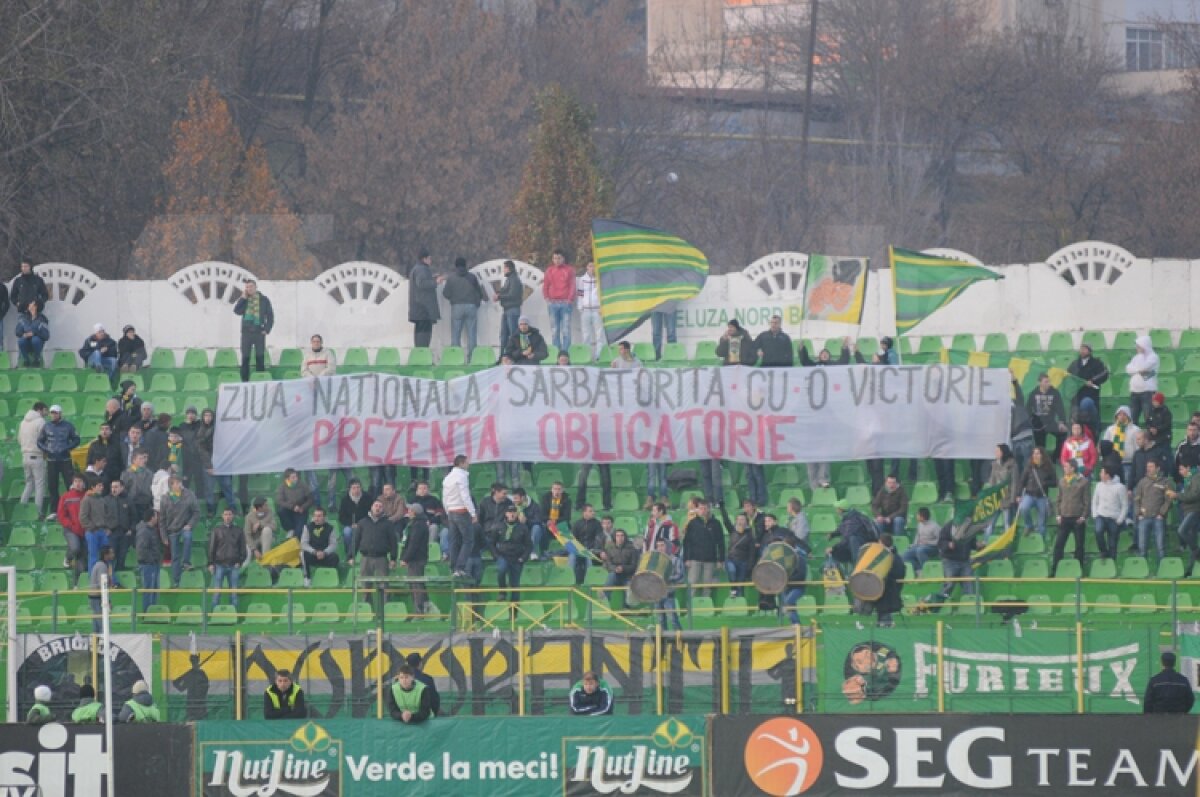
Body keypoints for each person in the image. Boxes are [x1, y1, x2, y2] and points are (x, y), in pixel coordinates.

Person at [1052, 458, 1091, 574]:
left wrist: (1084, 516)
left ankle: (1079, 570)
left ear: (1073, 468)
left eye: (1066, 467)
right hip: (1064, 517)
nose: (1064, 469)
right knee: (1059, 545)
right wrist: (1058, 514)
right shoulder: (1062, 481)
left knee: (1079, 546)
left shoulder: (1083, 482)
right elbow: (1058, 499)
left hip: (1077, 518)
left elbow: (1087, 501)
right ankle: (1055, 569)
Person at [38, 404, 80, 511]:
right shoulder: (46, 426)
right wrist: (47, 449)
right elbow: (39, 441)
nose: (53, 415)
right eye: (52, 413)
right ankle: (54, 510)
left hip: (65, 459)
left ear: (60, 414)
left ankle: (73, 509)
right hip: (52, 460)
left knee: (70, 484)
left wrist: (67, 447)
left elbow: (76, 439)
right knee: (52, 486)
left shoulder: (68, 426)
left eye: (55, 413)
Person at [160, 474, 199, 587]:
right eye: (176, 483)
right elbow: (162, 519)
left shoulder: (189, 495)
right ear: (171, 485)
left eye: (180, 482)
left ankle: (186, 562)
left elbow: (196, 512)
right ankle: (176, 581)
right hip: (172, 529)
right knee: (175, 556)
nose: (179, 485)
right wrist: (164, 536)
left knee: (187, 536)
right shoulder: (165, 498)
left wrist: (190, 524)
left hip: (185, 526)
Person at [233, 278, 274, 381]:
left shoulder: (264, 300)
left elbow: (270, 316)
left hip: (259, 332)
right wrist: (242, 299)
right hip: (246, 332)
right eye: (247, 287)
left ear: (256, 287)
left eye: (251, 286)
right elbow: (237, 311)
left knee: (260, 357)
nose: (249, 289)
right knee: (245, 358)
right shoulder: (244, 300)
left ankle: (260, 381)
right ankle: (245, 382)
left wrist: (267, 329)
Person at [442, 454, 477, 579]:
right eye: (467, 462)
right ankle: (460, 567)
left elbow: (444, 497)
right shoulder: (462, 476)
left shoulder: (447, 478)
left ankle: (453, 567)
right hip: (461, 511)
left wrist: (448, 510)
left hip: (451, 511)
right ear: (461, 463)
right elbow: (465, 496)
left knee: (454, 541)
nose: (468, 464)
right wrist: (473, 512)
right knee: (468, 540)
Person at [443, 256, 484, 360]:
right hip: (471, 306)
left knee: (456, 334)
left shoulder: (451, 278)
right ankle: (472, 358)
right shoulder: (472, 277)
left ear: (456, 266)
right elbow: (479, 293)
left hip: (457, 307)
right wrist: (476, 303)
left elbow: (445, 294)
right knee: (472, 334)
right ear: (465, 265)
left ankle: (456, 358)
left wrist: (453, 298)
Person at [682, 499, 724, 598]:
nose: (703, 511)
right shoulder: (692, 523)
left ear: (709, 509)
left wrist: (721, 560)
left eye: (705, 508)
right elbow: (687, 542)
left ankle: (706, 604)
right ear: (697, 509)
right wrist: (686, 558)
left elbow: (721, 543)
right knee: (692, 584)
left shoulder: (716, 523)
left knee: (707, 585)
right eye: (701, 508)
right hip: (694, 559)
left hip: (710, 559)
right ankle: (690, 606)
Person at [491, 505, 531, 602]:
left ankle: (514, 607)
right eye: (509, 512)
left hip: (517, 558)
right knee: (501, 570)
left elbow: (529, 545)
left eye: (514, 512)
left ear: (517, 514)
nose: (512, 514)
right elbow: (492, 543)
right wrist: (496, 556)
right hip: (503, 556)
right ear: (506, 514)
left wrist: (523, 558)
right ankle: (502, 592)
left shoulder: (523, 528)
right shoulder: (498, 526)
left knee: (515, 584)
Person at [1134, 459, 1173, 560]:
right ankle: (1142, 569)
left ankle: (1162, 568)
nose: (1148, 469)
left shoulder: (1165, 482)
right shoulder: (1142, 482)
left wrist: (1162, 513)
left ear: (1158, 468)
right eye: (1147, 466)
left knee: (1160, 547)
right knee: (1142, 547)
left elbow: (1169, 500)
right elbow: (1137, 499)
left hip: (1158, 518)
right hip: (1144, 518)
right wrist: (1138, 514)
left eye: (1151, 466)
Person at [208, 508, 246, 608]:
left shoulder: (239, 531)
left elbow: (243, 549)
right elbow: (212, 548)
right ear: (222, 516)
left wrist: (240, 562)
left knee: (234, 593)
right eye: (225, 514)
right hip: (219, 565)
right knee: (217, 592)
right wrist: (211, 563)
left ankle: (234, 613)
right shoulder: (216, 530)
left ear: (233, 516)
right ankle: (213, 613)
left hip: (234, 566)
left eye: (229, 514)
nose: (227, 516)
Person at [1166, 464, 1200, 576]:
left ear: (1188, 468)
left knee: (1181, 531)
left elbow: (1194, 495)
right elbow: (1185, 495)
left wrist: (1177, 495)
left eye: (1181, 469)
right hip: (1188, 511)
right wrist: (1176, 497)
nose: (1180, 472)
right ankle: (1190, 570)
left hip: (1195, 510)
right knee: (1192, 539)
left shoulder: (1196, 477)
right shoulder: (1188, 479)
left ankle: (1197, 551)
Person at [350, 499, 398, 578]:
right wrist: (351, 556)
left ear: (383, 509)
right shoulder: (362, 523)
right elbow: (356, 540)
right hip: (366, 558)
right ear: (371, 507)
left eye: (380, 507)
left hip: (382, 559)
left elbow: (393, 542)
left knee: (383, 583)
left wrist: (393, 559)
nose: (378, 508)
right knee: (365, 584)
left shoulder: (388, 524)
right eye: (376, 506)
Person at [1026, 373, 1069, 459]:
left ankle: (1056, 457)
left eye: (1049, 381)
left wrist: (1061, 422)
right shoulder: (1033, 393)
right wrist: (1031, 421)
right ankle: (1043, 459)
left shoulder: (1054, 393)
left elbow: (1060, 409)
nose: (1048, 384)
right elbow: (1028, 408)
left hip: (1050, 422)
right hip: (1039, 424)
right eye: (1046, 382)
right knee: (1040, 447)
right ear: (1039, 383)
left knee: (1063, 433)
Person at [1067, 343, 1109, 430]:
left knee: (1087, 405)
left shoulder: (1097, 363)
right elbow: (1068, 376)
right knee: (1074, 414)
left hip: (1091, 395)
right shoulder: (1074, 364)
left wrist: (1092, 381)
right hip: (1077, 396)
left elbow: (1104, 374)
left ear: (1090, 351)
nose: (1082, 351)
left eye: (1084, 349)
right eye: (1081, 349)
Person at [543, 249, 576, 355]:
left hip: (565, 303)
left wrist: (569, 300)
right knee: (554, 329)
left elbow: (572, 285)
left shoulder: (569, 270)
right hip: (552, 303)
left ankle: (565, 352)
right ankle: (556, 352)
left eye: (559, 258)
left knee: (566, 329)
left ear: (563, 258)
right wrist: (547, 298)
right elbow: (546, 285)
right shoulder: (549, 270)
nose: (556, 260)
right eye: (554, 258)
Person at [398, 504, 431, 614]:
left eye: (410, 510)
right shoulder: (416, 524)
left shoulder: (418, 525)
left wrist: (405, 558)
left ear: (414, 512)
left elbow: (413, 544)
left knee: (416, 585)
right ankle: (423, 608)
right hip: (415, 559)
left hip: (416, 559)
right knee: (416, 584)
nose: (408, 512)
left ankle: (419, 611)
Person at [1102, 406, 1141, 498]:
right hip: (1113, 464)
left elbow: (1138, 448)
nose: (1122, 416)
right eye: (1120, 414)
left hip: (1129, 464)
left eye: (1124, 414)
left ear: (1128, 416)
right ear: (1116, 416)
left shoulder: (1135, 430)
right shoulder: (1110, 429)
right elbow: (1105, 446)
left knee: (1127, 490)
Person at [1018, 446, 1056, 537]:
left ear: (1042, 455)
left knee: (1042, 522)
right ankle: (1029, 525)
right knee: (1023, 508)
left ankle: (1041, 539)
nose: (1035, 455)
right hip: (1029, 494)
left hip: (1042, 496)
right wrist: (1018, 495)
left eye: (1038, 453)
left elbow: (1055, 482)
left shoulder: (1048, 467)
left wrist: (1045, 483)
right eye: (1034, 453)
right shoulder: (1029, 466)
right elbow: (1022, 481)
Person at [18, 401, 48, 517]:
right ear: (40, 409)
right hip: (37, 456)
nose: (46, 413)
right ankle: (38, 512)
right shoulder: (40, 421)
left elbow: (19, 439)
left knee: (29, 484)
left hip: (25, 456)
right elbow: (44, 440)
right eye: (45, 410)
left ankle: (22, 510)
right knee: (39, 485)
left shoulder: (23, 422)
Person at [1091, 467, 1128, 560]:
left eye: (1102, 473)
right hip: (1101, 516)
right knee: (1098, 531)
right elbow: (1094, 501)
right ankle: (1103, 552)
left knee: (1113, 543)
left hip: (1114, 518)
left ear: (1107, 475)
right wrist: (1095, 515)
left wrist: (1120, 519)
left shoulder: (1120, 487)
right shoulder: (1099, 485)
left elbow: (1124, 505)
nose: (1100, 474)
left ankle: (1112, 561)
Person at [829, 499, 877, 567]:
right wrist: (833, 534)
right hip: (863, 544)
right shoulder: (853, 515)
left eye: (837, 509)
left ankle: (857, 567)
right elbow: (843, 528)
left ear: (841, 510)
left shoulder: (852, 521)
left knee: (834, 552)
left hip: (861, 546)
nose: (836, 511)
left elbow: (847, 539)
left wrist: (833, 548)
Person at [408, 248, 440, 348]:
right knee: (424, 334)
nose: (431, 260)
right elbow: (421, 283)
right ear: (424, 259)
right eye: (429, 258)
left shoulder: (417, 268)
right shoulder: (422, 269)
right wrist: (436, 282)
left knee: (419, 332)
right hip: (424, 309)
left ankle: (419, 353)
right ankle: (422, 353)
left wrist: (432, 278)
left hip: (419, 308)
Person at [300, 507, 340, 586]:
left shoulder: (330, 528)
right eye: (315, 516)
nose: (316, 518)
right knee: (303, 554)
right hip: (312, 554)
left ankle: (329, 577)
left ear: (324, 517)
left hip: (325, 555)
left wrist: (324, 552)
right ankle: (307, 578)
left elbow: (333, 544)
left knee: (335, 557)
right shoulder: (307, 527)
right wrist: (314, 552)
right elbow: (303, 544)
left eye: (319, 516)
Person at [80, 476, 111, 574]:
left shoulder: (102, 499)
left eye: (102, 486)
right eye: (99, 486)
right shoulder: (87, 499)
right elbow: (82, 517)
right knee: (93, 556)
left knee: (107, 556)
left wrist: (107, 527)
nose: (102, 488)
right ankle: (93, 579)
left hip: (102, 531)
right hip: (92, 532)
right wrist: (92, 527)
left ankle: (109, 578)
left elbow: (106, 515)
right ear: (93, 487)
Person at [1125, 336, 1159, 427]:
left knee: (1148, 417)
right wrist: (1138, 371)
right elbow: (1128, 369)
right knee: (1133, 418)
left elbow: (1144, 367)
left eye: (1138, 346)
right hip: (1134, 392)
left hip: (1147, 392)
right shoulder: (1136, 357)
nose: (1137, 348)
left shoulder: (1153, 357)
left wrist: (1136, 370)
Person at [721, 506, 755, 597]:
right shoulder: (732, 530)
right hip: (731, 559)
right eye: (738, 519)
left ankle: (740, 600)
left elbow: (752, 552)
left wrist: (750, 565)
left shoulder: (749, 535)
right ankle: (733, 590)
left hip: (743, 562)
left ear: (746, 522)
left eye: (742, 519)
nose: (740, 521)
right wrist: (722, 508)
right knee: (732, 571)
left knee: (741, 584)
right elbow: (726, 521)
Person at [653, 539, 685, 631]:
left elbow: (680, 575)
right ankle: (663, 639)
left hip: (669, 593)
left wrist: (666, 578)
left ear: (667, 546)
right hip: (657, 594)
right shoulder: (654, 560)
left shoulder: (675, 560)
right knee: (660, 620)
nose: (660, 548)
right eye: (658, 546)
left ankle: (680, 637)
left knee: (673, 618)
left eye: (662, 545)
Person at [874, 534, 905, 627]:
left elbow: (897, 573)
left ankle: (886, 623)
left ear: (882, 543)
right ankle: (883, 622)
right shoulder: (893, 556)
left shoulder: (893, 557)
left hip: (890, 590)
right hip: (886, 589)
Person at [568, 504, 604, 585]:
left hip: (591, 549)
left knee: (589, 558)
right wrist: (577, 548)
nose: (593, 513)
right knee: (572, 556)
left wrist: (592, 549)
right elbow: (572, 539)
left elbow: (599, 539)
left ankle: (589, 580)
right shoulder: (577, 523)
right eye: (591, 511)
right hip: (578, 549)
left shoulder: (597, 524)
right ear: (584, 513)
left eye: (593, 511)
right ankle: (570, 579)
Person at [337, 479, 374, 559]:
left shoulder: (368, 497)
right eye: (354, 488)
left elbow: (372, 513)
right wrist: (351, 524)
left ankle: (366, 555)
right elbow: (341, 517)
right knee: (347, 532)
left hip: (365, 525)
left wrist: (362, 524)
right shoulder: (345, 500)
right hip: (351, 525)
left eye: (358, 487)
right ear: (349, 489)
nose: (356, 490)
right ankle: (349, 554)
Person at [135, 509, 164, 611]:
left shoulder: (152, 530)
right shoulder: (144, 531)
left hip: (154, 564)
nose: (157, 518)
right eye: (156, 516)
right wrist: (152, 560)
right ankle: (147, 612)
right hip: (148, 565)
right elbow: (141, 550)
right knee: (149, 590)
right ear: (152, 518)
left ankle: (153, 611)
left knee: (154, 589)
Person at [58, 475, 87, 575]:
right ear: (73, 483)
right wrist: (70, 524)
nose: (78, 483)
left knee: (82, 564)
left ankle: (77, 581)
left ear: (84, 483)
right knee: (75, 547)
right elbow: (61, 515)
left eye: (80, 481)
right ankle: (67, 558)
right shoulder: (66, 497)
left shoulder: (87, 496)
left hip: (85, 530)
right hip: (70, 529)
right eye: (76, 481)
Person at [601, 529, 638, 608]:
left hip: (627, 577)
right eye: (618, 536)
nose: (620, 538)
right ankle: (605, 598)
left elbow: (634, 566)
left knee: (629, 589)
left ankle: (626, 608)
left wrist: (623, 568)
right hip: (615, 576)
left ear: (625, 537)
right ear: (615, 537)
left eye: (622, 536)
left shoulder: (632, 549)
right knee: (611, 575)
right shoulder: (610, 548)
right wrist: (615, 569)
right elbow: (608, 564)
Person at [276, 468, 314, 539]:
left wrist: (303, 507)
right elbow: (280, 501)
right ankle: (290, 529)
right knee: (281, 510)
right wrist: (292, 507)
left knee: (298, 533)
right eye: (293, 477)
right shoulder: (282, 487)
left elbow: (310, 499)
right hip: (288, 510)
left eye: (296, 476)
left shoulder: (303, 485)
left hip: (301, 510)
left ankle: (296, 536)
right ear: (287, 479)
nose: (295, 478)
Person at [538, 481, 573, 558]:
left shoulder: (567, 500)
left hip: (560, 524)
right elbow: (542, 514)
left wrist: (555, 521)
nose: (556, 491)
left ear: (562, 490)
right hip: (548, 524)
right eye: (555, 489)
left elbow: (567, 517)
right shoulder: (545, 498)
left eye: (559, 489)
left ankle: (568, 553)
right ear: (551, 489)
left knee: (567, 529)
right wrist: (548, 520)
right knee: (542, 529)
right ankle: (543, 553)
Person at [577, 260, 604, 360]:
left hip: (597, 310)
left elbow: (602, 295)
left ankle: (599, 356)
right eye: (590, 266)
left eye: (594, 266)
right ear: (587, 267)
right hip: (586, 310)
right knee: (586, 334)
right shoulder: (582, 279)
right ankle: (587, 356)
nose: (592, 268)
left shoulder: (600, 279)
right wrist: (580, 307)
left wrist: (602, 307)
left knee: (599, 334)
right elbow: (580, 294)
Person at [902, 508, 941, 575]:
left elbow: (941, 541)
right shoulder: (920, 524)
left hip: (932, 547)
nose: (916, 516)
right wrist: (913, 545)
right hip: (920, 546)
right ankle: (919, 569)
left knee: (920, 550)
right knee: (906, 555)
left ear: (922, 517)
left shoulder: (935, 526)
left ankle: (927, 570)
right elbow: (917, 536)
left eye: (918, 515)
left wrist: (928, 542)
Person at [496, 259, 524, 350]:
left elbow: (512, 295)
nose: (503, 270)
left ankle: (514, 354)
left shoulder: (514, 279)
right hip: (507, 309)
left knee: (513, 334)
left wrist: (499, 296)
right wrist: (498, 293)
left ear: (509, 268)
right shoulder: (510, 279)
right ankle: (503, 355)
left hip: (513, 309)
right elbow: (505, 290)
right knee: (503, 335)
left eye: (504, 268)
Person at [88, 545, 117, 633]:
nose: (113, 555)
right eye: (111, 553)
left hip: (94, 597)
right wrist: (107, 601)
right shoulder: (102, 566)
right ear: (105, 555)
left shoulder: (101, 565)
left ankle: (96, 640)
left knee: (97, 622)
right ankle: (104, 639)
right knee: (103, 623)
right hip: (98, 598)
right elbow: (102, 585)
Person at [871, 474, 910, 539]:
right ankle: (881, 541)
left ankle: (898, 541)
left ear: (896, 483)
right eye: (889, 483)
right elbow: (874, 506)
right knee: (877, 522)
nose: (891, 485)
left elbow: (903, 509)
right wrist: (878, 516)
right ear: (886, 483)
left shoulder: (901, 491)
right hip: (884, 518)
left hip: (897, 518)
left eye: (893, 483)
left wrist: (890, 517)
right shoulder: (882, 491)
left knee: (898, 520)